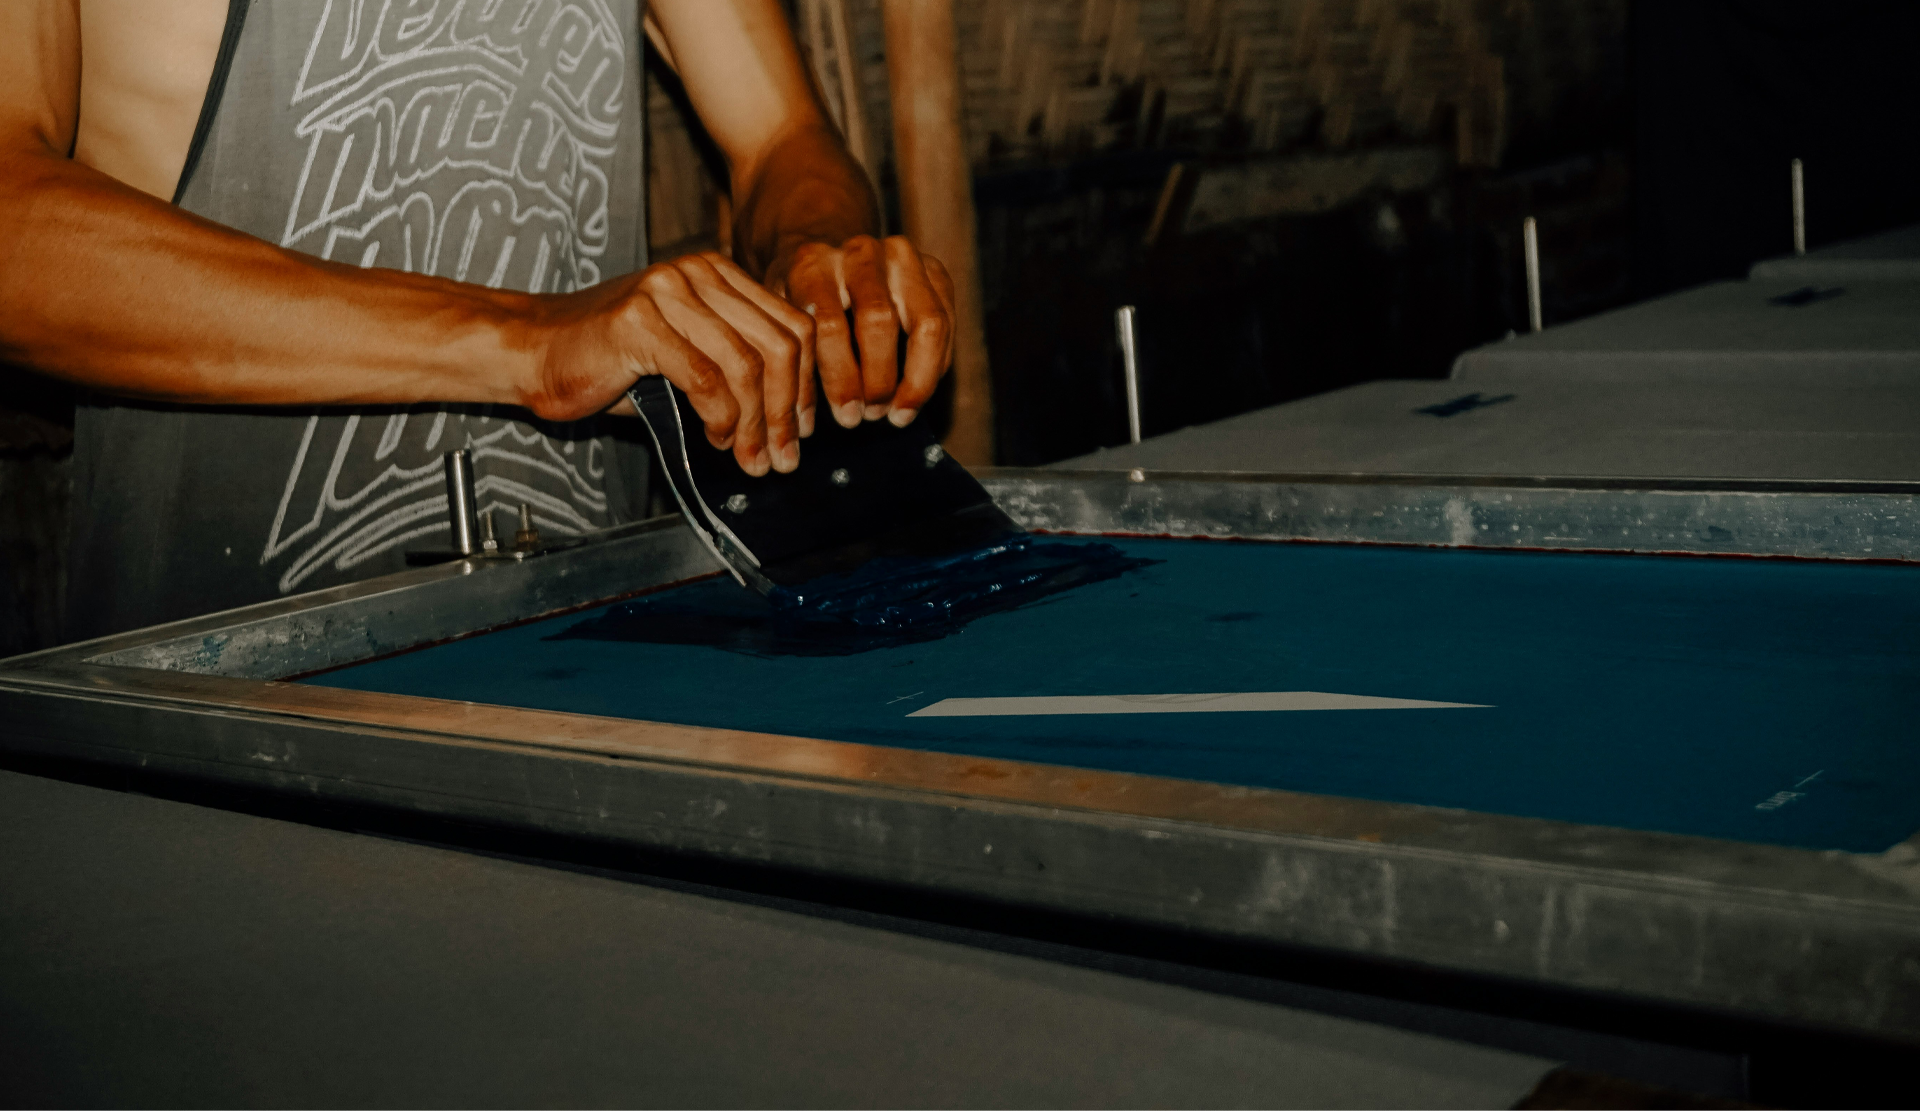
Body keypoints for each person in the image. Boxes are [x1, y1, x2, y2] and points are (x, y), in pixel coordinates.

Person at [0, 0, 956, 638]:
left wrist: (816, 255)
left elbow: (782, 137)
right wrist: (525, 340)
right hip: (232, 674)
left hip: (608, 635)